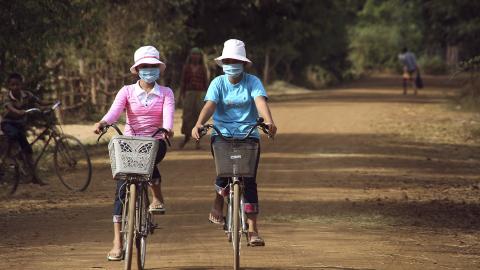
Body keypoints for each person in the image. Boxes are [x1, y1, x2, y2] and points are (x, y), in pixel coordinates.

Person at [192, 39, 277, 246]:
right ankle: (218, 199)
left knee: (249, 180)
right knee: (224, 172)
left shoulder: (252, 82)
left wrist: (269, 121)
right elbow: (210, 105)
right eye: (228, 60)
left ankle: (253, 230)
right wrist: (199, 123)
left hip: (248, 135)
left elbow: (260, 102)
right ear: (223, 63)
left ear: (244, 63)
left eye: (236, 60)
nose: (232, 64)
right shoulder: (218, 83)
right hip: (221, 134)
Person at [93, 46, 175, 261]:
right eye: (145, 66)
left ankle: (156, 196)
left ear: (159, 69)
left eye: (153, 66)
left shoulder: (166, 93)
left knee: (150, 160)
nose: (149, 70)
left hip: (156, 141)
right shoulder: (127, 91)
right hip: (129, 144)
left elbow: (168, 116)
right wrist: (103, 123)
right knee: (121, 187)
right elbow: (114, 112)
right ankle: (117, 242)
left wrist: (167, 128)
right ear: (137, 69)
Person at [1, 72, 50, 185]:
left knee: (28, 151)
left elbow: (40, 101)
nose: (15, 87)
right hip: (8, 123)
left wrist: (53, 102)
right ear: (9, 86)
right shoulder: (7, 97)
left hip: (20, 125)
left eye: (17, 84)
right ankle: (10, 154)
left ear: (21, 84)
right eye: (13, 85)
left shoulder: (27, 95)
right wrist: (19, 112)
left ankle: (34, 177)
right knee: (14, 135)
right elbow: (10, 108)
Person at [179, 47, 209, 149]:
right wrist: (181, 95)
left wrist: (208, 97)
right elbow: (183, 82)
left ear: (200, 57)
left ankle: (197, 141)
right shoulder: (186, 67)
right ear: (190, 56)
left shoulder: (203, 68)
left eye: (197, 54)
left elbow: (206, 83)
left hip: (201, 94)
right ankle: (186, 138)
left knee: (199, 117)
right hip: (189, 94)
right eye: (193, 54)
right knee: (187, 117)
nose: (195, 56)